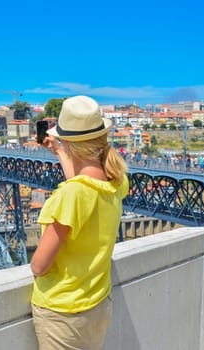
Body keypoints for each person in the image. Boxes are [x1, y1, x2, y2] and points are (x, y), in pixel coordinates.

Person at [30, 96, 129, 350]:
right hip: (97, 304)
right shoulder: (116, 182)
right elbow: (86, 186)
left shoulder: (70, 195)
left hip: (63, 313)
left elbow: (39, 266)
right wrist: (60, 151)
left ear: (73, 145)